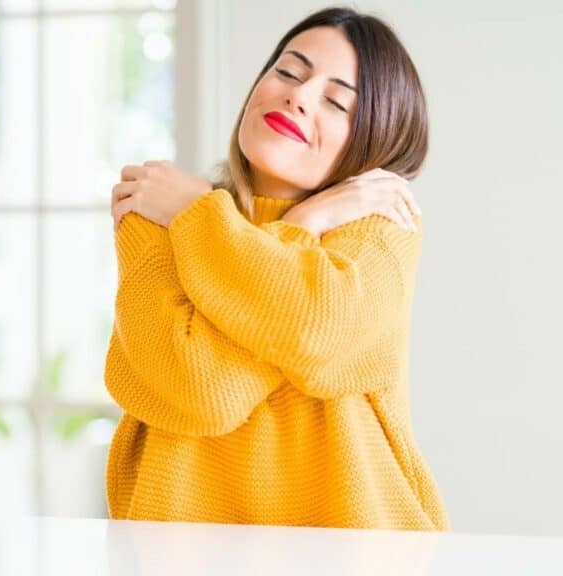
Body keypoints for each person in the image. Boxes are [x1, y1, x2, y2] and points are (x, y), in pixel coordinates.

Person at [104, 6, 448, 531]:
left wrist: (218, 217)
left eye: (336, 102)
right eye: (288, 71)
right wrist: (298, 227)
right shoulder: (156, 218)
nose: (299, 97)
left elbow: (314, 327)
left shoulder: (379, 225)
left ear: (374, 138)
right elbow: (201, 392)